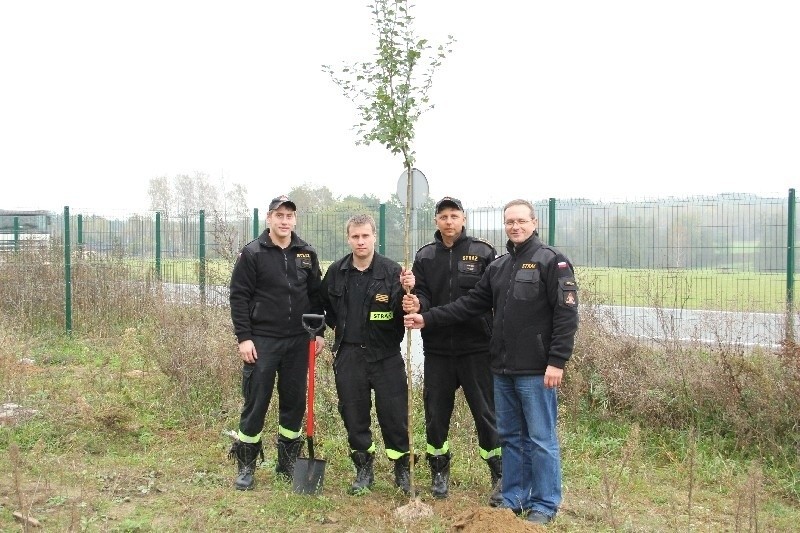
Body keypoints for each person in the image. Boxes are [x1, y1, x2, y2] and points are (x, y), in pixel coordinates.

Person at [404, 199, 579, 525]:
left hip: (536, 370)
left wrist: (557, 360)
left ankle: (545, 503)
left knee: (540, 439)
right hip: (501, 369)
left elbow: (566, 315)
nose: (515, 226)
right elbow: (468, 304)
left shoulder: (551, 261)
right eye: (510, 221)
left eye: (521, 221)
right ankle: (513, 497)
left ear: (534, 222)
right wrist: (427, 319)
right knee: (511, 437)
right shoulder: (498, 267)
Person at [400, 196, 502, 503]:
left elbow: (489, 300)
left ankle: (499, 472)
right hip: (438, 350)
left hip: (476, 349)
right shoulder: (425, 256)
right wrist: (417, 303)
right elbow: (424, 297)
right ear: (436, 221)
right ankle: (439, 469)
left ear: (463, 219)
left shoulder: (483, 252)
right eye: (443, 216)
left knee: (486, 413)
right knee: (435, 414)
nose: (448, 221)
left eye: (454, 215)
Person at [228, 195, 326, 491]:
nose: (284, 221)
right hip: (263, 341)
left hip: (299, 341)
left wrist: (318, 332)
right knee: (256, 403)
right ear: (269, 219)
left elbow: (317, 296)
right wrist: (244, 337)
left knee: (294, 404)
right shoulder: (253, 253)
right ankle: (247, 465)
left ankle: (286, 465)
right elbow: (239, 296)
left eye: (289, 216)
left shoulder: (306, 253)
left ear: (295, 220)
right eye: (279, 215)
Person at [320, 213, 412, 495]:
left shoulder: (392, 272)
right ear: (348, 238)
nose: (360, 241)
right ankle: (363, 469)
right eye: (355, 236)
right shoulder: (336, 272)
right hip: (349, 356)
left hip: (386, 356)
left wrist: (411, 299)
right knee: (354, 414)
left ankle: (402, 471)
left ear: (375, 237)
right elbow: (326, 310)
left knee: (394, 415)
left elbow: (404, 310)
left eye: (365, 236)